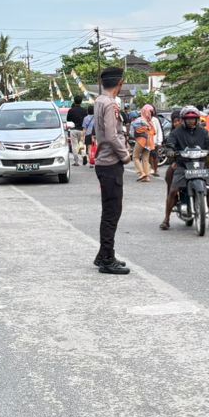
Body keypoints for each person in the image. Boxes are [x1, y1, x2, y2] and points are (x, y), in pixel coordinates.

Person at [160, 106, 209, 231]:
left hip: (201, 165)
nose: (191, 121)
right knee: (173, 190)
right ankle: (166, 219)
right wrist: (170, 151)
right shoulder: (176, 132)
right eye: (188, 119)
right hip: (182, 165)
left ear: (197, 119)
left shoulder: (203, 132)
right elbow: (170, 144)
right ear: (183, 120)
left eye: (194, 119)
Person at [93, 68, 133, 273]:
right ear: (120, 84)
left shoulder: (99, 100)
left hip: (103, 162)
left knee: (109, 211)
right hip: (110, 163)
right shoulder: (110, 104)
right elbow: (111, 135)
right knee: (112, 212)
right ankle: (107, 259)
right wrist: (125, 155)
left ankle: (103, 254)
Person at [132, 103, 162, 182]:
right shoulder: (151, 122)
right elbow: (154, 132)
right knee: (145, 158)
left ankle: (142, 173)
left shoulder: (140, 120)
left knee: (135, 156)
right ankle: (146, 176)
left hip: (141, 140)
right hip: (150, 141)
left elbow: (133, 128)